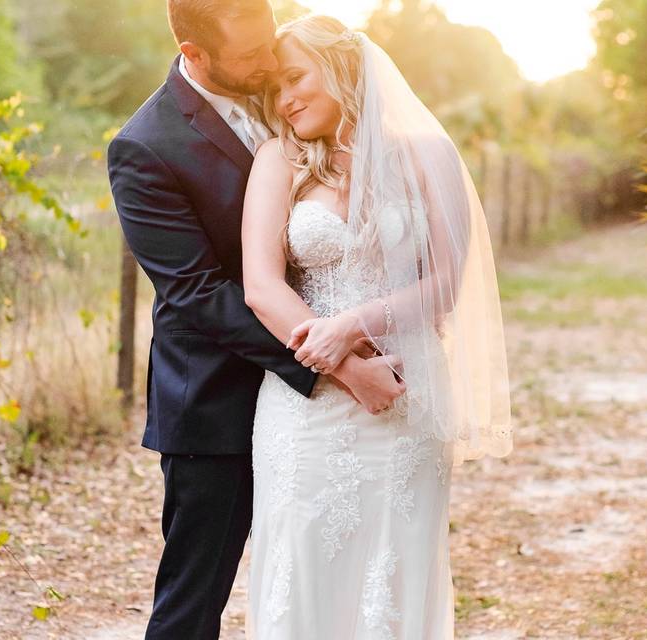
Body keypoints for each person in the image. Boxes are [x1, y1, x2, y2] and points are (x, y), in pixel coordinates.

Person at [106, 2, 404, 638]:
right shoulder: (145, 146)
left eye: (271, 47)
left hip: (322, 413)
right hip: (215, 400)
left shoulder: (291, 94)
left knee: (327, 580)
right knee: (194, 598)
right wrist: (338, 369)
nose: (270, 65)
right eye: (252, 58)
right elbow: (198, 292)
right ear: (196, 56)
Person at [241, 15, 514, 639]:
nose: (285, 101)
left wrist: (357, 322)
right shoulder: (278, 160)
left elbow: (446, 280)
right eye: (275, 93)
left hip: (407, 396)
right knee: (301, 562)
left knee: (394, 564)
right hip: (306, 405)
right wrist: (338, 356)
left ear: (341, 68)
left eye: (294, 79)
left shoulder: (428, 154)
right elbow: (262, 286)